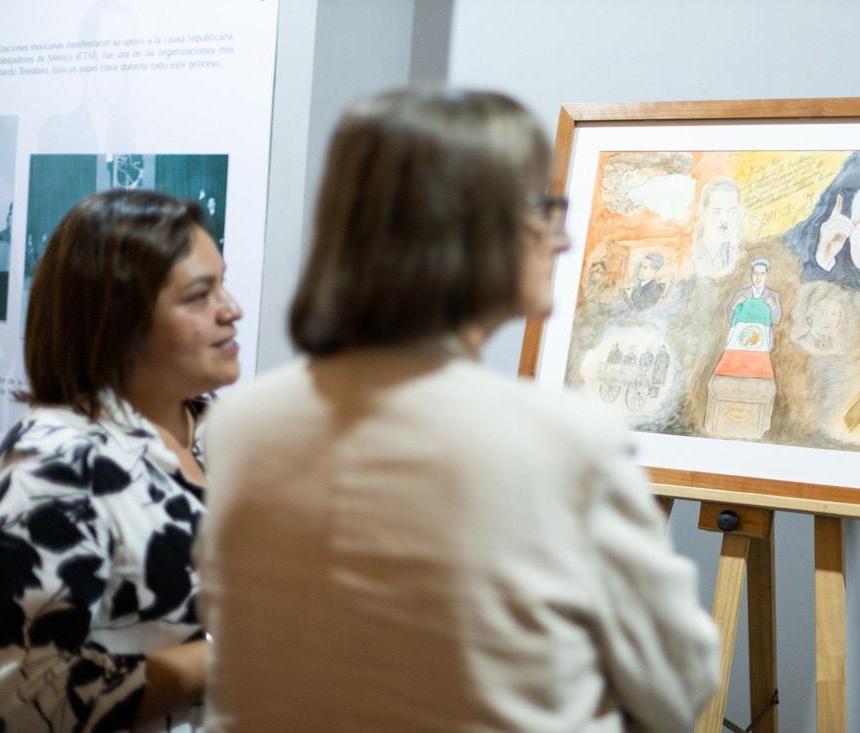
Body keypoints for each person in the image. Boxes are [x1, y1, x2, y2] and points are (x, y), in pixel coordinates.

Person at [197, 88, 719, 732]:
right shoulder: (563, 440)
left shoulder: (240, 426)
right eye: (543, 207)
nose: (562, 239)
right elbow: (676, 685)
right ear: (471, 229)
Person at [0, 189, 242, 732]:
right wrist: (236, 656)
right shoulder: (54, 463)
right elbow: (27, 703)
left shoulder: (225, 430)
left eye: (223, 283)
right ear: (119, 321)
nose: (231, 308)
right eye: (199, 295)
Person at [692, 177, 742, 278]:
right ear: (704, 213)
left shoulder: (737, 254)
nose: (724, 219)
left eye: (731, 211)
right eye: (717, 211)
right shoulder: (691, 253)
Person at [726, 258, 782, 332]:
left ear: (767, 275)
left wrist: (773, 306)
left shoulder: (773, 296)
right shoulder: (740, 293)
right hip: (741, 335)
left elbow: (776, 321)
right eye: (755, 273)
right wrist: (735, 305)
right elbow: (729, 319)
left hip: (763, 337)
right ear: (751, 275)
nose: (758, 277)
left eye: (762, 273)